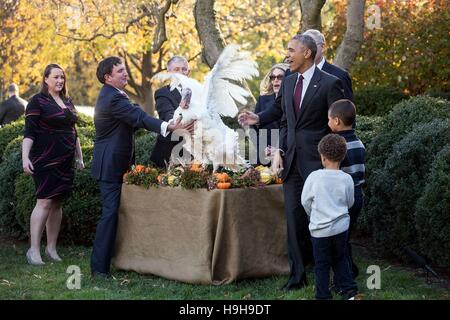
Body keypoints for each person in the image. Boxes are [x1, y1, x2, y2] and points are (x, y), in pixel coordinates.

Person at [90, 56, 194, 278]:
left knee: (116, 213)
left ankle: (117, 259)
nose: (125, 73)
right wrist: (168, 126)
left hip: (116, 163)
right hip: (110, 165)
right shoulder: (113, 98)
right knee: (109, 215)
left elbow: (132, 120)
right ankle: (98, 269)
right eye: (120, 71)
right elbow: (138, 116)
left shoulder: (116, 95)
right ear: (108, 77)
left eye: (124, 69)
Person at [22, 64, 84, 266]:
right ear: (46, 79)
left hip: (66, 160)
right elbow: (29, 133)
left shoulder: (67, 101)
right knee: (45, 202)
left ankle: (51, 248)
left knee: (57, 203)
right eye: (56, 77)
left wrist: (79, 156)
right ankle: (33, 250)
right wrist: (25, 158)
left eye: (62, 78)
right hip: (45, 158)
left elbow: (73, 131)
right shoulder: (37, 101)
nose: (60, 81)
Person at [238, 29, 353, 128]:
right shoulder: (288, 77)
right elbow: (280, 109)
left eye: (292, 51)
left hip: (320, 150)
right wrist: (258, 118)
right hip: (289, 151)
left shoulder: (336, 78)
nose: (287, 55)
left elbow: (345, 118)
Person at [301, 133, 359, 300]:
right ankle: (349, 292)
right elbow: (350, 202)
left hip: (320, 231)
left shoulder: (314, 178)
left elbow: (305, 201)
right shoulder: (347, 179)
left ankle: (323, 295)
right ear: (342, 156)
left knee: (322, 265)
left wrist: (314, 215)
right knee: (341, 259)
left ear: (322, 157)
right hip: (341, 228)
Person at [327, 99, 365, 279]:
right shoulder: (359, 143)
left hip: (343, 197)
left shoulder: (337, 146)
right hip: (358, 194)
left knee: (338, 238)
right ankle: (350, 269)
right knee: (346, 236)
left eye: (328, 119)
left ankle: (344, 275)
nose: (327, 123)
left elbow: (334, 175)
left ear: (336, 121)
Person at [150, 56, 191, 168]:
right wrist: (180, 113)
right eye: (176, 69)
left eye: (184, 69)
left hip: (194, 153)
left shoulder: (198, 93)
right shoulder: (163, 93)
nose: (181, 72)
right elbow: (167, 114)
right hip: (169, 153)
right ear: (169, 72)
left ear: (189, 72)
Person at [253, 63, 288, 164]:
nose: (276, 80)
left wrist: (279, 150)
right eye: (273, 77)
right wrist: (263, 149)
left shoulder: (293, 101)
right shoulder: (263, 100)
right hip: (264, 155)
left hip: (285, 155)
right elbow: (255, 130)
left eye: (280, 77)